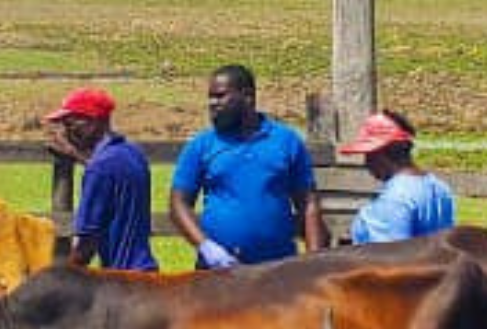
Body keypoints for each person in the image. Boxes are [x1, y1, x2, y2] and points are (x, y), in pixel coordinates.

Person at [169, 63, 322, 270]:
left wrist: (313, 263)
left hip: (278, 269)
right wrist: (206, 247)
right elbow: (179, 204)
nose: (213, 103)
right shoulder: (202, 145)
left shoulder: (286, 141)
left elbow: (308, 203)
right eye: (211, 97)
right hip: (219, 272)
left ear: (247, 96)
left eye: (220, 96)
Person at [42, 87, 156, 272]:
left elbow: (86, 247)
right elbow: (110, 173)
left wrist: (58, 279)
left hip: (121, 280)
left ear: (93, 121)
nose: (66, 132)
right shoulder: (132, 152)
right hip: (145, 271)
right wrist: (76, 154)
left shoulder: (100, 169)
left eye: (70, 124)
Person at [341, 109, 456, 244]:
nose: (366, 163)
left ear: (381, 154)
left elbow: (389, 257)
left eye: (368, 155)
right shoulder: (439, 187)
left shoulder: (394, 200)